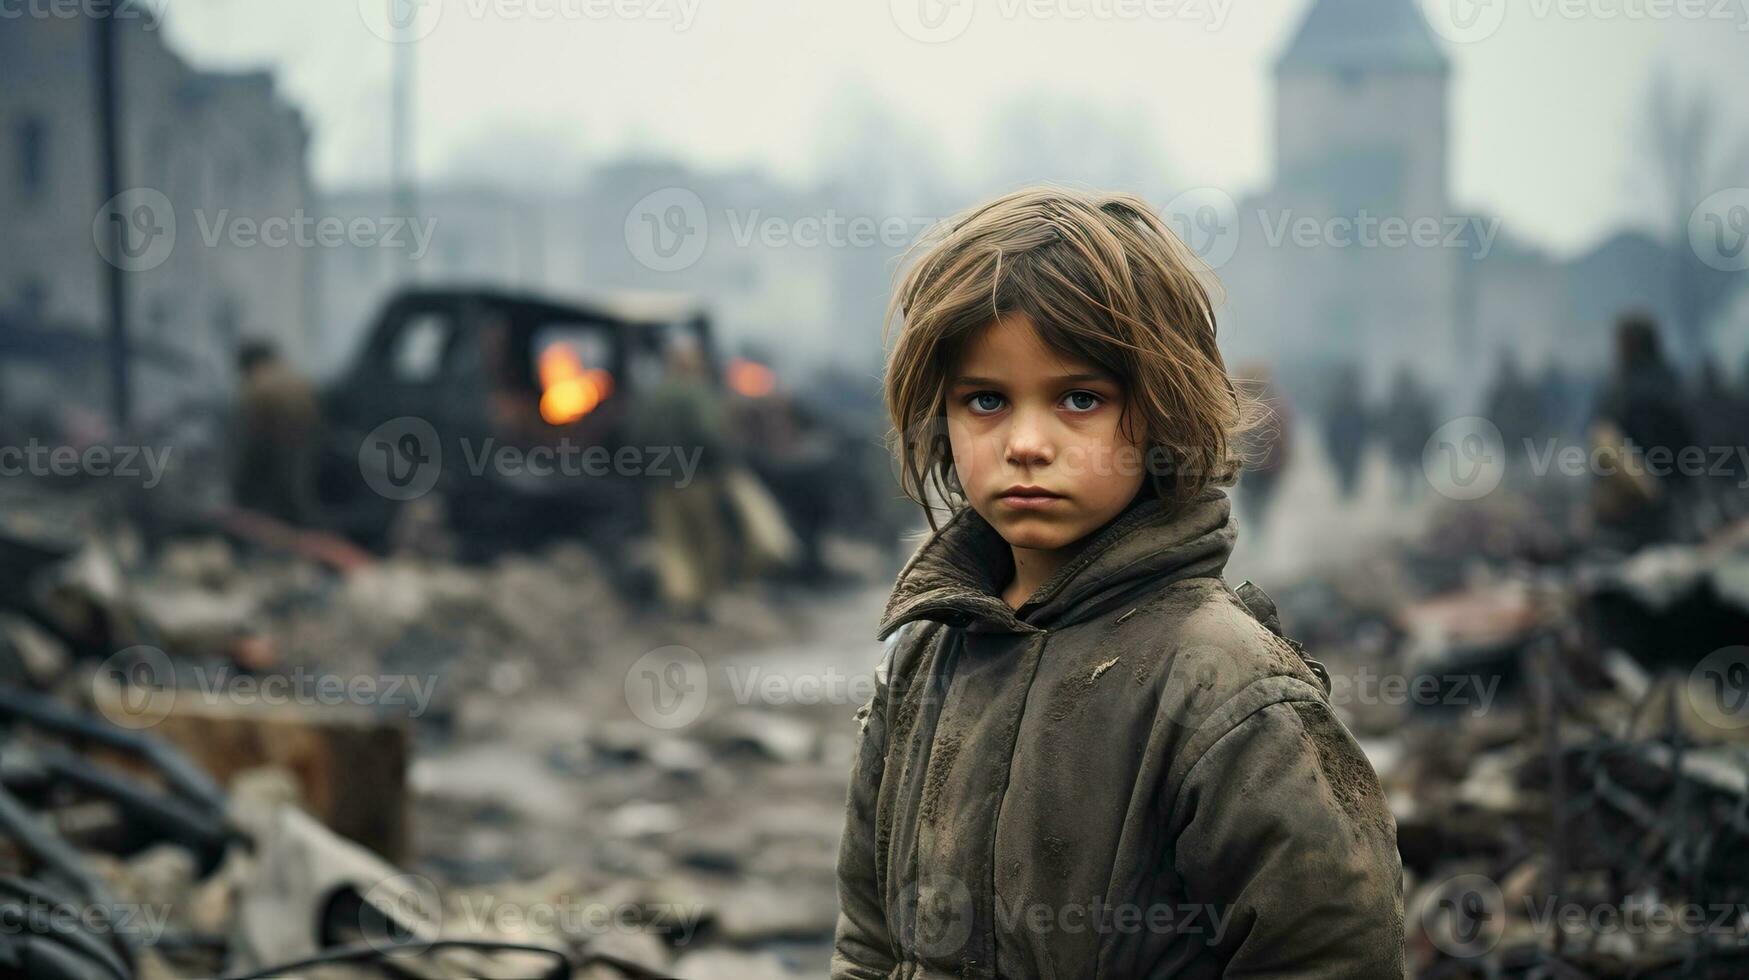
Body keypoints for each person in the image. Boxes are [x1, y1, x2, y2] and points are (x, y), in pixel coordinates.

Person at [834, 187, 1403, 979]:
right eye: (985, 401)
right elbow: (868, 942)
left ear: (1165, 410)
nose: (1026, 442)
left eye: (1079, 399)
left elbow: (1325, 959)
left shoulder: (1230, 696)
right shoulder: (926, 658)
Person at [232, 340, 322, 526]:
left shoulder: (255, 392)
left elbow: (248, 463)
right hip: (308, 498)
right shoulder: (299, 384)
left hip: (267, 509)